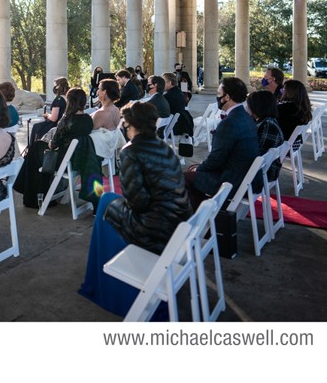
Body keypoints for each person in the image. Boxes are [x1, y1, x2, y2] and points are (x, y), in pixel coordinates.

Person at [78, 101, 192, 318]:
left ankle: (104, 283)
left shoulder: (131, 151)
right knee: (108, 199)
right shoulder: (164, 148)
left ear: (130, 124)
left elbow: (136, 203)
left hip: (154, 228)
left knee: (105, 204)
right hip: (178, 223)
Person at [14, 88, 100, 209]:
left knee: (35, 148)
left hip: (65, 160)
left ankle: (31, 194)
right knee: (37, 148)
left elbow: (53, 144)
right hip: (80, 158)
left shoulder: (67, 120)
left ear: (70, 102)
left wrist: (47, 142)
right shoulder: (88, 119)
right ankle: (34, 192)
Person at [184, 77, 259, 207]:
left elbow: (216, 159)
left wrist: (199, 169)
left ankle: (201, 217)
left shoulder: (229, 123)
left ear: (227, 97)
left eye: (218, 94)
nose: (217, 97)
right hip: (245, 176)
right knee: (192, 171)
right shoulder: (246, 117)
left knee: (182, 178)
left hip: (230, 180)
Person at [246, 90, 284, 186]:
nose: (246, 107)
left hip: (262, 173)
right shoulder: (265, 121)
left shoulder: (268, 125)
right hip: (262, 170)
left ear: (257, 106)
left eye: (249, 105)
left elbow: (260, 155)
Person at [30, 77, 69, 142]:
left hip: (56, 125)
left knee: (36, 127)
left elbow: (54, 118)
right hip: (64, 123)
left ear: (58, 86)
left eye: (54, 86)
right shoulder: (68, 98)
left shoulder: (58, 99)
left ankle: (34, 149)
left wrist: (48, 115)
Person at [277, 79, 312, 144]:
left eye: (283, 89)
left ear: (290, 92)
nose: (281, 91)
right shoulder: (302, 106)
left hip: (285, 145)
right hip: (296, 142)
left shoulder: (285, 108)